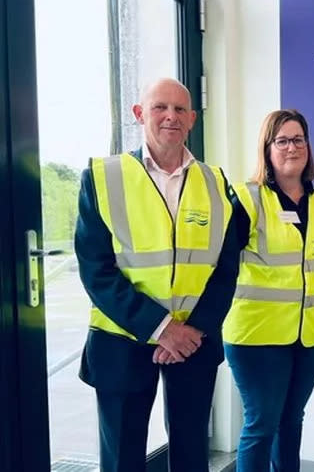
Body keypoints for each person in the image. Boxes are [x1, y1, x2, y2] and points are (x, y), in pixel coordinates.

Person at [75, 78, 240, 472]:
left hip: (193, 342)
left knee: (191, 455)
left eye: (180, 109)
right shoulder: (104, 176)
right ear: (139, 114)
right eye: (160, 108)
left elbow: (226, 268)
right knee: (122, 459)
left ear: (192, 119)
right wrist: (162, 328)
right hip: (122, 339)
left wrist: (193, 330)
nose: (171, 117)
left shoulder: (216, 182)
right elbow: (96, 271)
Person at [223, 109, 314, 472]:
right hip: (257, 337)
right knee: (261, 425)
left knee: (292, 420)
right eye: (282, 140)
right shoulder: (247, 200)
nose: (292, 147)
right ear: (267, 148)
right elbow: (222, 267)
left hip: (309, 336)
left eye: (298, 139)